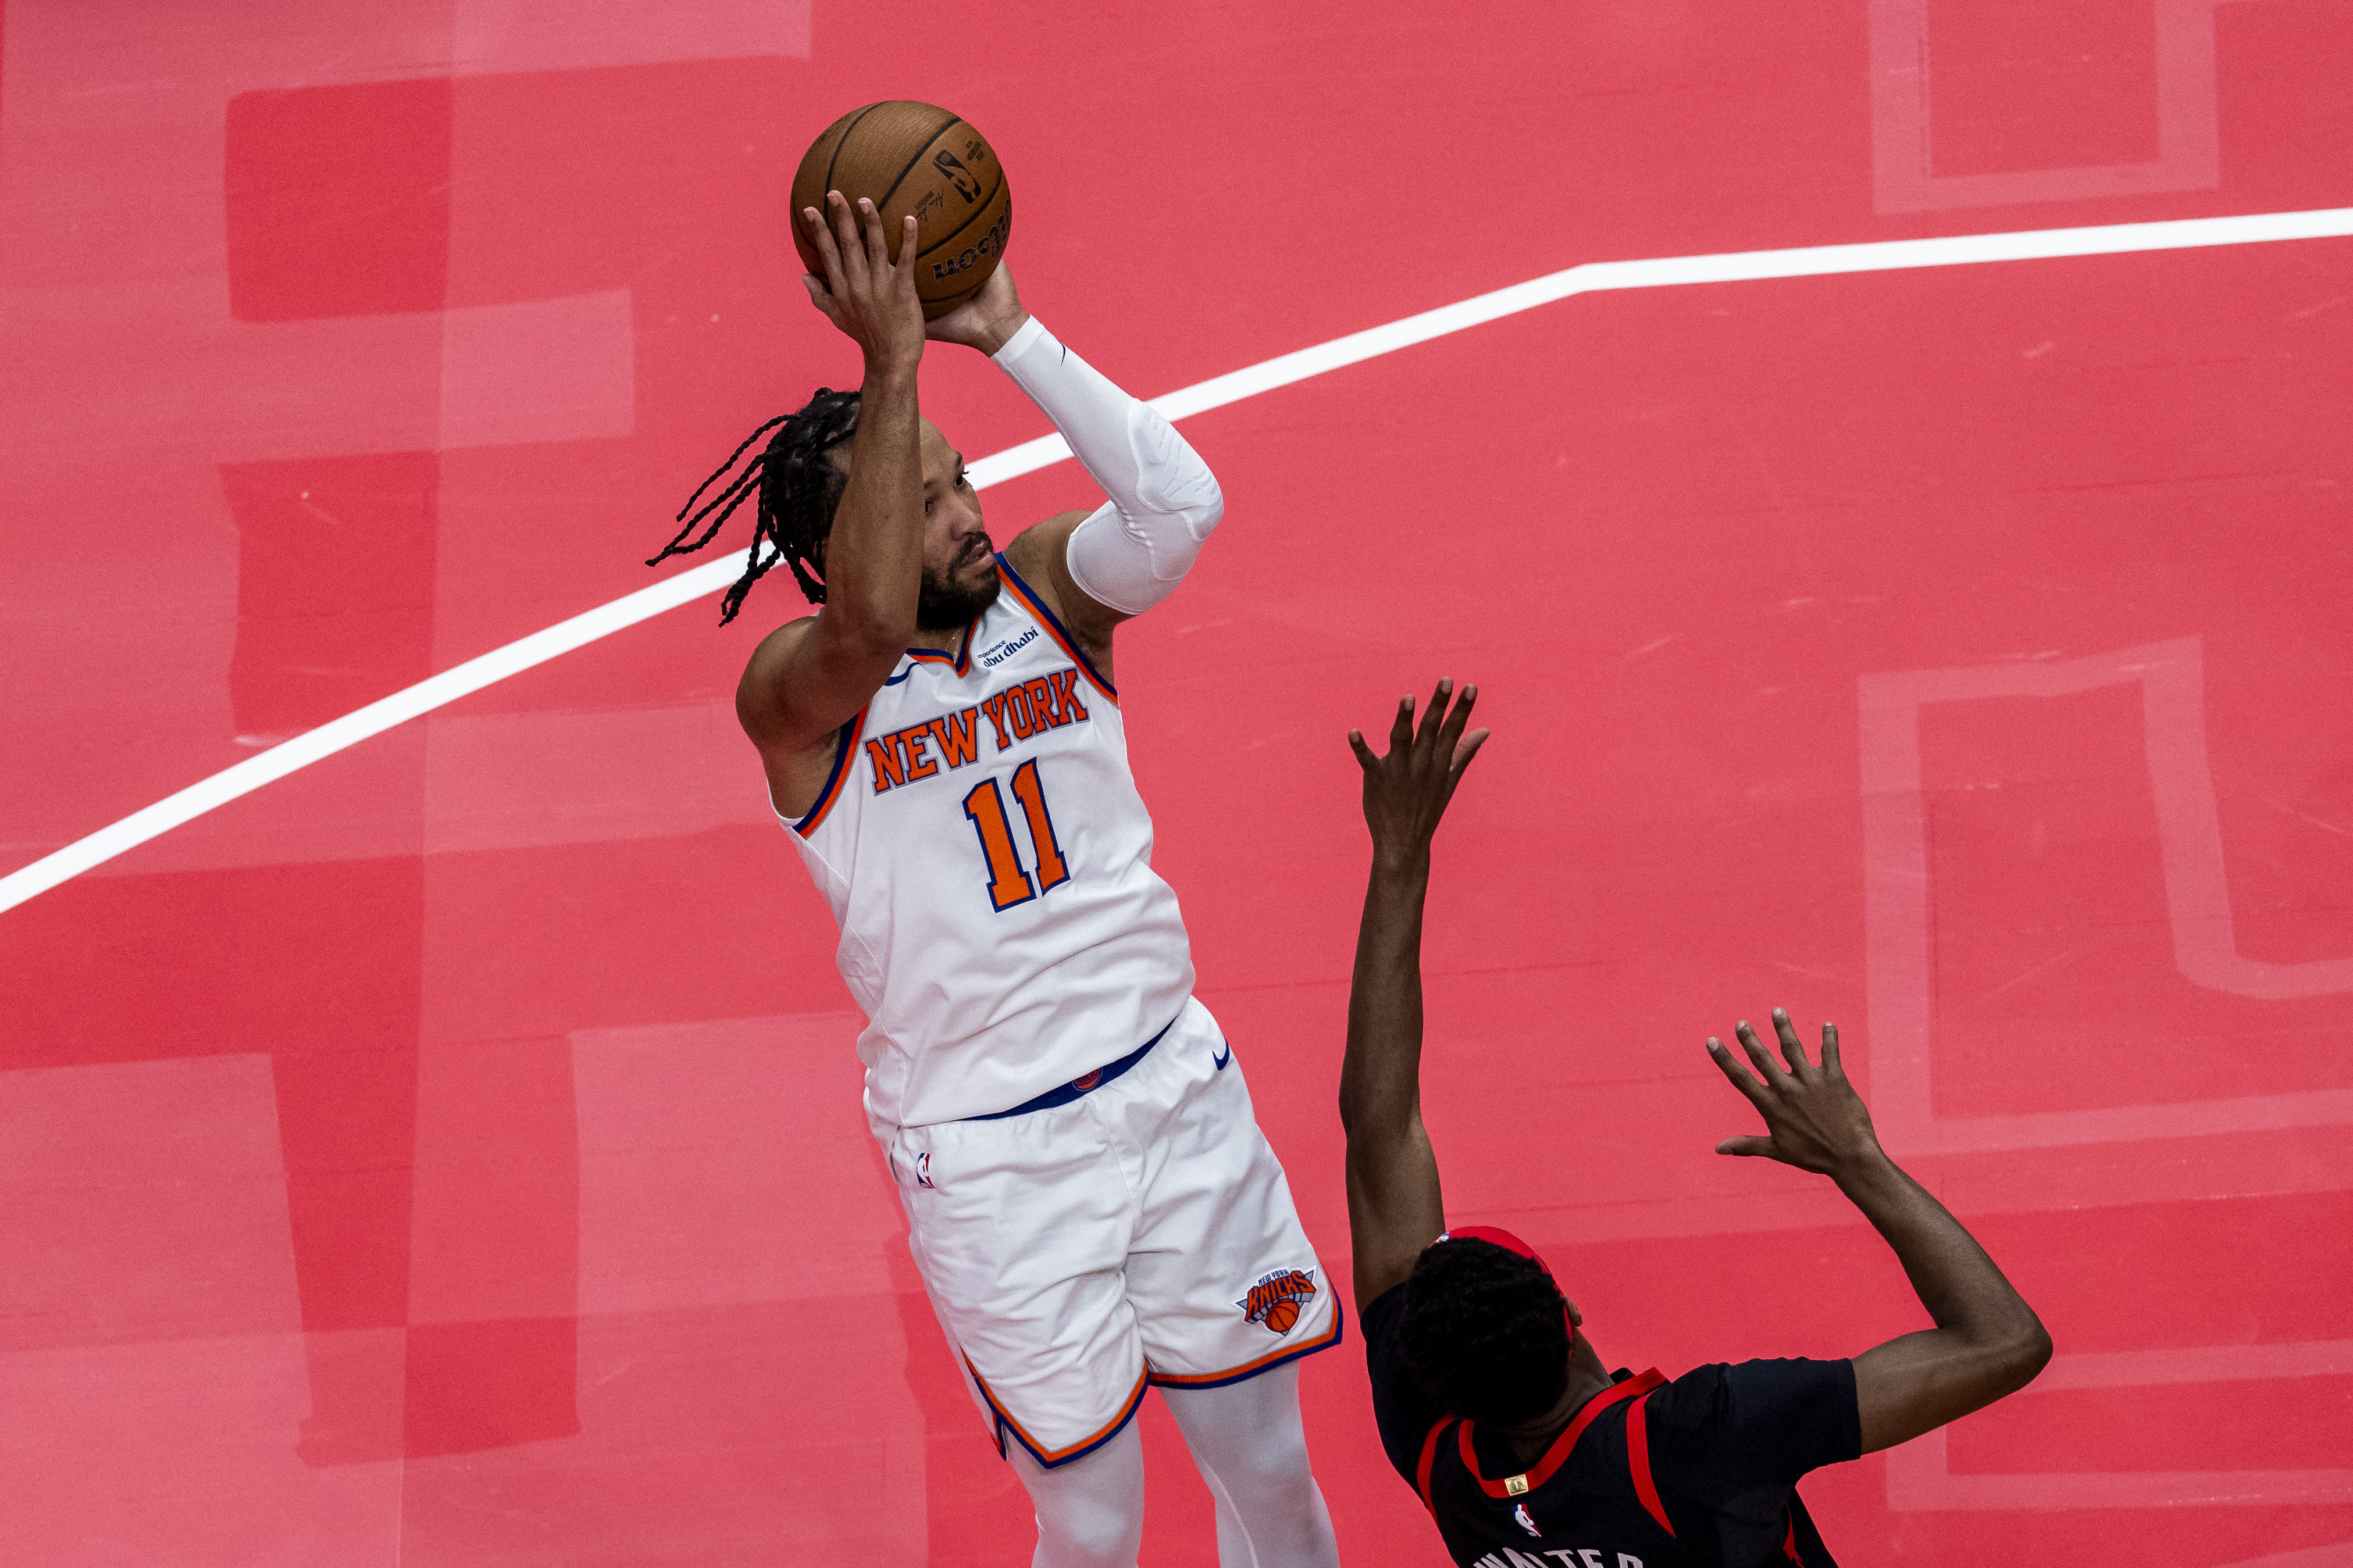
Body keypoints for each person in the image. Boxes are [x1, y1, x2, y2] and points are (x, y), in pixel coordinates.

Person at [648, 193, 1342, 1568]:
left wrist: (1004, 332)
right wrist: (889, 365)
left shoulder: (1047, 595)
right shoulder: (799, 697)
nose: (967, 513)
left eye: (960, 479)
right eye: (918, 502)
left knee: (1270, 1465)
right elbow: (873, 621)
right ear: (835, 549)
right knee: (1094, 1521)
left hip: (1176, 1098)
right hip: (992, 1160)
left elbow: (1180, 504)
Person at [1337, 680, 2052, 1567]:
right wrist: (1856, 1157)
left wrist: (1397, 857)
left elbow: (1379, 1133)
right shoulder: (1698, 1439)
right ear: (1567, 1313)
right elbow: (2005, 1341)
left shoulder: (1435, 1448)